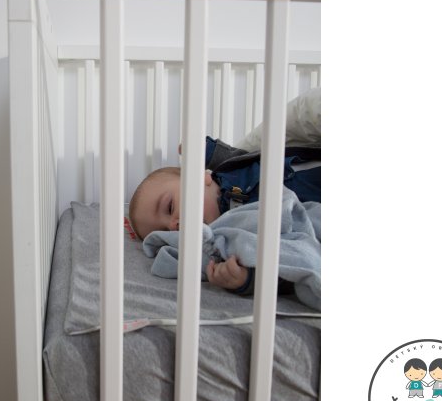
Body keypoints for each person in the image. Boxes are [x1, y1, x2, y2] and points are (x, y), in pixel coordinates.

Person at [127, 90, 320, 293]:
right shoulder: (227, 240)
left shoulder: (228, 170)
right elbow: (290, 260)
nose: (173, 226)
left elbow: (238, 155)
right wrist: (246, 279)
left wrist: (204, 149)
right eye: (165, 232)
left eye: (170, 207)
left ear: (200, 177)